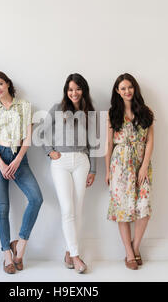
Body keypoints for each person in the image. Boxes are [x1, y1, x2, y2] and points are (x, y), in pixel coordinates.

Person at [0, 71, 43, 274]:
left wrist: (17, 160)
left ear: (8, 84)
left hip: (19, 157)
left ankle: (20, 247)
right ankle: (7, 257)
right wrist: (0, 163)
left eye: (0, 83)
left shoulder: (24, 106)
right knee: (3, 208)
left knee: (36, 199)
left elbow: (28, 138)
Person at [41, 73, 96, 274]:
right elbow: (41, 132)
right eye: (71, 89)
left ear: (83, 90)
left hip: (82, 161)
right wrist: (49, 151)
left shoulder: (89, 111)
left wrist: (94, 169)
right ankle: (75, 256)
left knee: (78, 209)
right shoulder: (57, 109)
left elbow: (93, 143)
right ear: (66, 91)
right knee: (67, 208)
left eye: (78, 89)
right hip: (60, 162)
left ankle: (68, 251)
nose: (74, 93)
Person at [105, 73, 154, 270]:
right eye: (123, 88)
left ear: (135, 88)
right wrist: (108, 171)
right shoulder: (112, 113)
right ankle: (129, 253)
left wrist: (144, 166)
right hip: (119, 165)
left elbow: (150, 141)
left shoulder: (146, 111)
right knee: (123, 210)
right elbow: (109, 143)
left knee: (144, 208)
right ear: (117, 91)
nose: (127, 91)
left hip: (141, 164)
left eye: (129, 87)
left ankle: (135, 247)